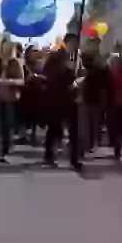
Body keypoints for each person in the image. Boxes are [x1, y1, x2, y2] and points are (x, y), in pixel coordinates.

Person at [42, 32, 82, 171]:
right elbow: (49, 75)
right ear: (67, 43)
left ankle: (74, 159)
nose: (75, 46)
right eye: (73, 43)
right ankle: (49, 155)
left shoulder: (76, 58)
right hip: (57, 98)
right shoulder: (56, 57)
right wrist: (66, 76)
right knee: (54, 128)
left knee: (74, 130)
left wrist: (77, 81)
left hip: (71, 98)